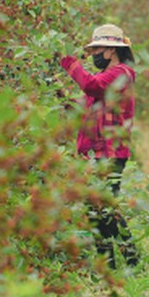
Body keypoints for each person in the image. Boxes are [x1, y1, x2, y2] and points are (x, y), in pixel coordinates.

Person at [59, 24, 140, 269]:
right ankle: (121, 263)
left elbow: (90, 86)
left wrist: (69, 64)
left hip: (111, 153)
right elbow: (85, 106)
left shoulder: (120, 73)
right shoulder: (107, 80)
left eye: (99, 49)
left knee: (101, 211)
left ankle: (120, 264)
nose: (95, 54)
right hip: (102, 153)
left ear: (112, 51)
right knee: (101, 210)